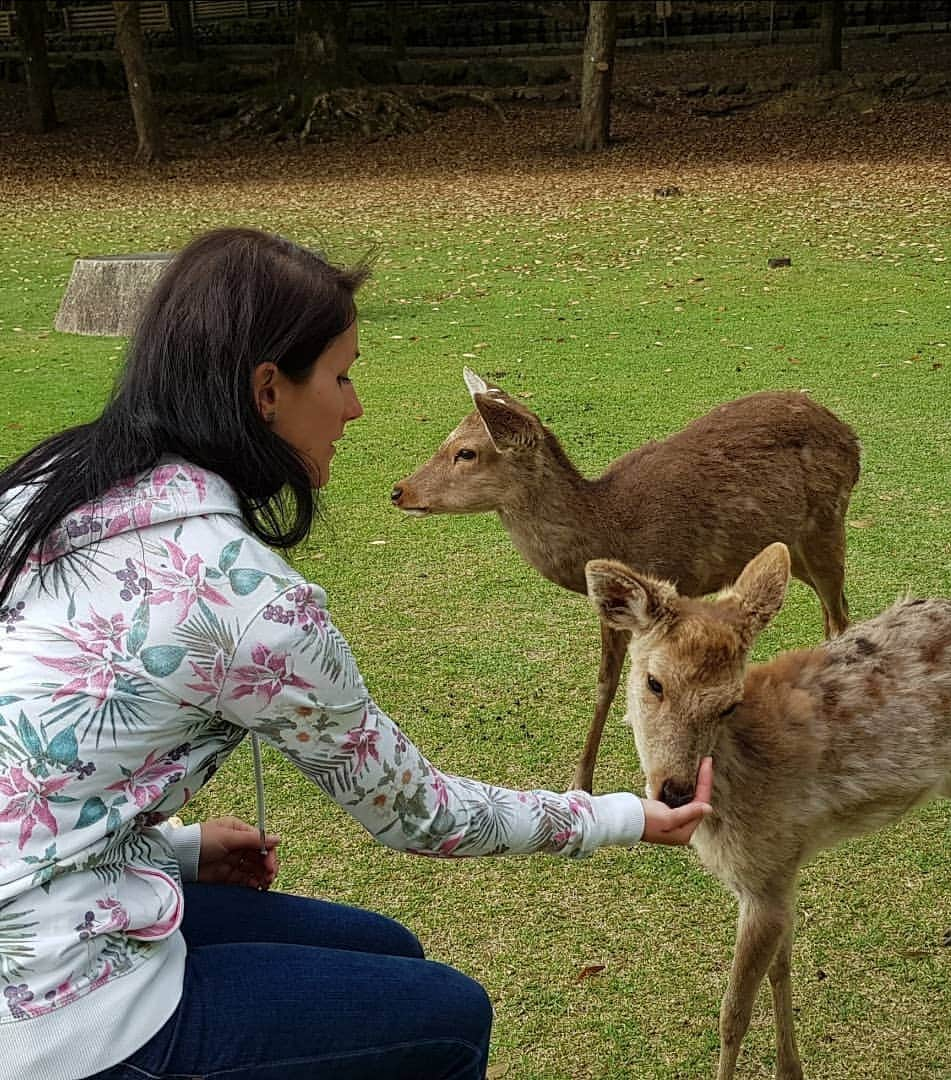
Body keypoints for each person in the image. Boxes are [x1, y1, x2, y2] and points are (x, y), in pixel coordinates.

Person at [0, 227, 713, 1080]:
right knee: (449, 1018)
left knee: (389, 950)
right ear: (269, 389)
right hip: (52, 1007)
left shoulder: (42, 492)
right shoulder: (248, 602)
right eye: (339, 376)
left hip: (62, 902)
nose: (356, 406)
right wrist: (626, 817)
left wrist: (182, 850)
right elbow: (422, 814)